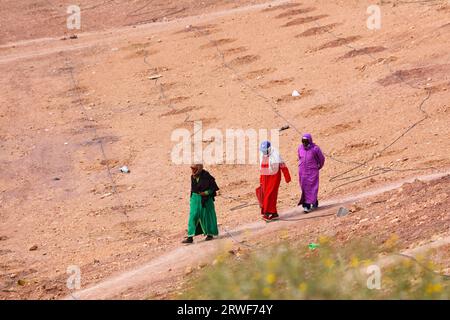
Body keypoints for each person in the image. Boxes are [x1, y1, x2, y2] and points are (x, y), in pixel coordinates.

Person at [182, 163, 219, 244]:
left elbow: (213, 188)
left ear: (198, 169)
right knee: (193, 216)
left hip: (206, 200)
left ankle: (210, 234)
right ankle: (190, 237)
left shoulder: (206, 176)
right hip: (195, 199)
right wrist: (191, 199)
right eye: (191, 168)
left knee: (207, 217)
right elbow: (193, 189)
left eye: (194, 168)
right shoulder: (193, 176)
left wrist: (206, 193)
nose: (192, 170)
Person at [257, 141, 291, 222]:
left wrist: (287, 177)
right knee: (265, 194)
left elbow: (283, 165)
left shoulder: (276, 154)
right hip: (265, 177)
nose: (264, 152)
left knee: (270, 195)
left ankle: (268, 213)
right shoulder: (262, 154)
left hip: (274, 177)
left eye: (265, 151)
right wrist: (261, 179)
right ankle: (274, 213)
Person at [298, 133, 325, 213]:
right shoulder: (300, 148)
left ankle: (307, 205)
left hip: (312, 171)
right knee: (304, 188)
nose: (304, 143)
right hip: (302, 172)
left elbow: (321, 159)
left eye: (306, 142)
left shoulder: (315, 149)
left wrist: (318, 167)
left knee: (312, 188)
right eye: (303, 142)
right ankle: (311, 202)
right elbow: (299, 157)